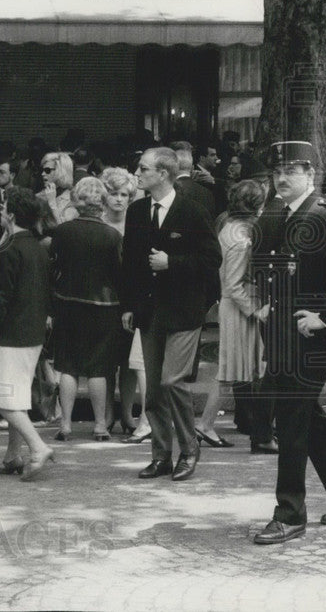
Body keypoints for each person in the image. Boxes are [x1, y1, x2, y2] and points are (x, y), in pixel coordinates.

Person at [251, 141, 326, 544]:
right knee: (305, 416)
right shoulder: (277, 213)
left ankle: (289, 514)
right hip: (281, 334)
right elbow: (270, 266)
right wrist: (266, 302)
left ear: (310, 175)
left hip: (308, 339)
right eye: (276, 172)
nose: (281, 178)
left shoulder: (325, 214)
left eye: (291, 171)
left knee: (292, 423)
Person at [120, 147, 221, 482]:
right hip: (149, 312)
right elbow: (130, 262)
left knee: (171, 381)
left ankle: (189, 449)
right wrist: (128, 305)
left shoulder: (193, 210)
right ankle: (161, 455)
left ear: (163, 173)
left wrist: (172, 263)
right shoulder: (137, 211)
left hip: (184, 312)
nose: (137, 174)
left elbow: (212, 260)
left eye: (143, 168)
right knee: (153, 391)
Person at [0, 187, 56, 481]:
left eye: (3, 209)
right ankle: (13, 455)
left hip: (10, 334)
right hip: (32, 331)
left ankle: (37, 447)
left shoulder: (9, 248)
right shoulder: (38, 247)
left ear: (10, 215)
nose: (0, 213)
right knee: (16, 395)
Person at [51, 177, 125, 441]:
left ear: (75, 201)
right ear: (102, 203)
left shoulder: (62, 232)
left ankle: (66, 425)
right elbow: (120, 274)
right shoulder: (113, 235)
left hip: (67, 302)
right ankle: (100, 426)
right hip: (104, 306)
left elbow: (54, 267)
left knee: (68, 366)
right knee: (99, 368)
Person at [195, 180, 268, 450]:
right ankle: (205, 424)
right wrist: (256, 310)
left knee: (240, 369)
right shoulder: (241, 239)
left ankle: (261, 425)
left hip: (233, 307)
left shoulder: (229, 227)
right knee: (230, 371)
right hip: (239, 309)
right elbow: (234, 285)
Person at [99, 166, 149, 440]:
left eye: (124, 194)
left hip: (130, 298)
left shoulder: (137, 222)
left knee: (130, 362)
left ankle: (127, 413)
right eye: (114, 193)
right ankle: (107, 413)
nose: (119, 199)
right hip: (104, 298)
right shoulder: (98, 224)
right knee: (106, 361)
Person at [38, 152, 78, 224]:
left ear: (61, 172)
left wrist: (52, 203)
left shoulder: (73, 198)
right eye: (42, 170)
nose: (42, 174)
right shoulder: (39, 196)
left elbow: (63, 227)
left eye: (47, 170)